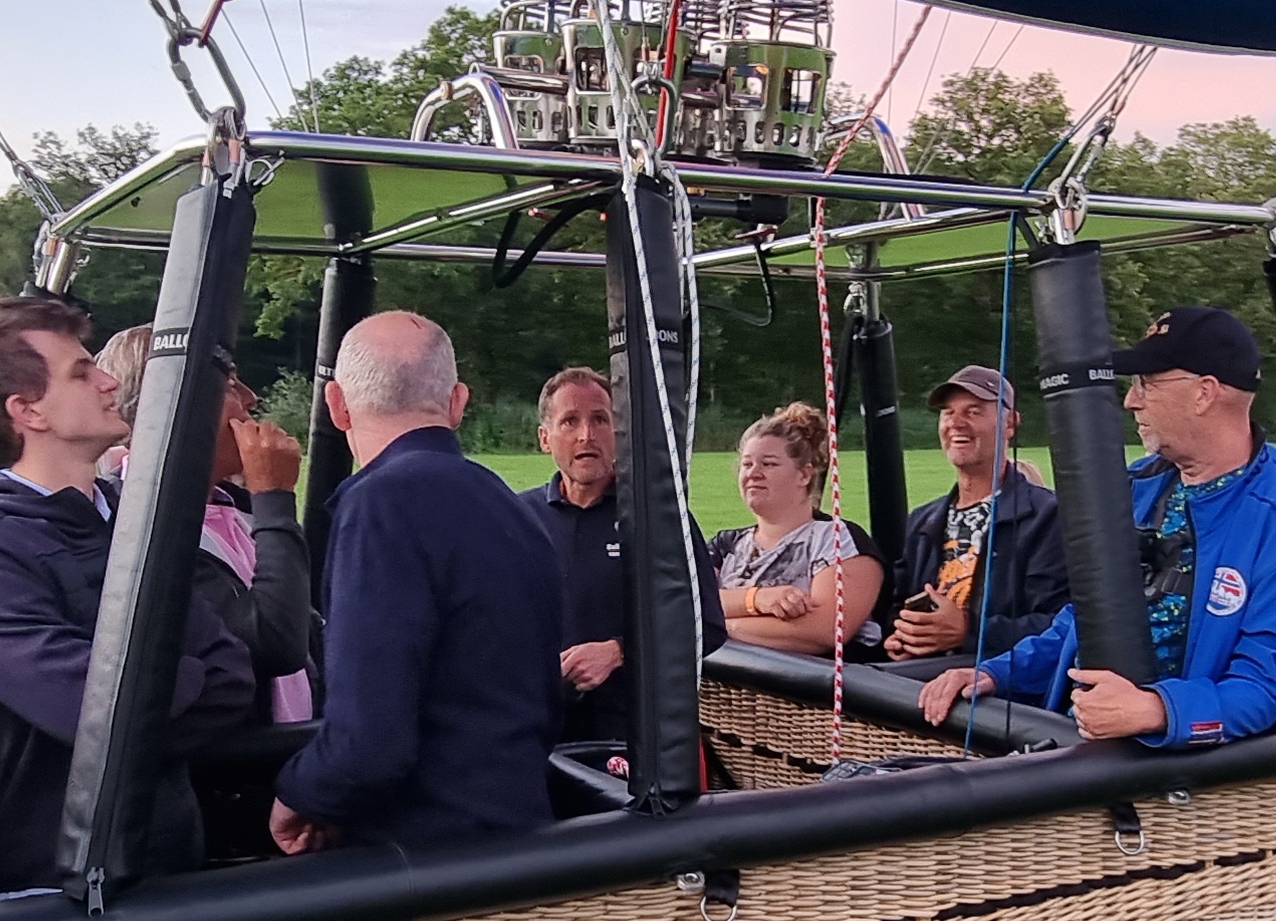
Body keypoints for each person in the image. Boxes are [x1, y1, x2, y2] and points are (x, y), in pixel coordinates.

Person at [0, 295, 261, 896]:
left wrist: (150, 697)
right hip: (60, 892)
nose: (109, 382)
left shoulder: (134, 518)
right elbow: (93, 714)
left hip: (172, 867)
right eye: (82, 372)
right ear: (27, 410)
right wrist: (184, 680)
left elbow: (233, 676)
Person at [920, 307, 1276, 746]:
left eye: (1146, 384)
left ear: (1204, 393)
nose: (1131, 401)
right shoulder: (1136, 486)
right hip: (1084, 742)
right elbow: (1083, 621)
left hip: (1204, 770)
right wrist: (993, 673)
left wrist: (1158, 710)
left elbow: (1270, 686)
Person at [271, 312, 563, 851]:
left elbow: (368, 741)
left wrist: (300, 792)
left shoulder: (379, 507)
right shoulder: (511, 507)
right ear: (457, 402)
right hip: (520, 831)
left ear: (336, 405)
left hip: (424, 853)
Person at [101, 322, 316, 719]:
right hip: (243, 755)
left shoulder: (233, 509)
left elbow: (305, 629)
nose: (251, 398)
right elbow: (275, 644)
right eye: (230, 384)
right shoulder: (135, 527)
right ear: (172, 403)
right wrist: (274, 498)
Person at [530, 363, 725, 747]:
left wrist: (619, 651)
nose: (586, 435)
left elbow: (707, 626)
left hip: (632, 737)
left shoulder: (658, 519)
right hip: (536, 732)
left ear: (620, 432)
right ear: (545, 438)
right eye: (570, 421)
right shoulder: (519, 517)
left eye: (600, 419)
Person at [873, 365, 1068, 672]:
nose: (956, 423)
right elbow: (897, 605)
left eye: (973, 412)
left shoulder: (1047, 516)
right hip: (919, 674)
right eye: (948, 412)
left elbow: (1060, 624)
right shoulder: (923, 521)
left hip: (995, 683)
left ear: (1010, 423)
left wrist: (969, 629)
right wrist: (903, 636)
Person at [707, 403, 882, 657]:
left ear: (804, 475)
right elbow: (687, 603)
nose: (754, 473)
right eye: (747, 464)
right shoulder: (726, 545)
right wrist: (757, 599)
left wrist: (719, 626)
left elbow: (825, 629)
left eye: (768, 464)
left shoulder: (836, 539)